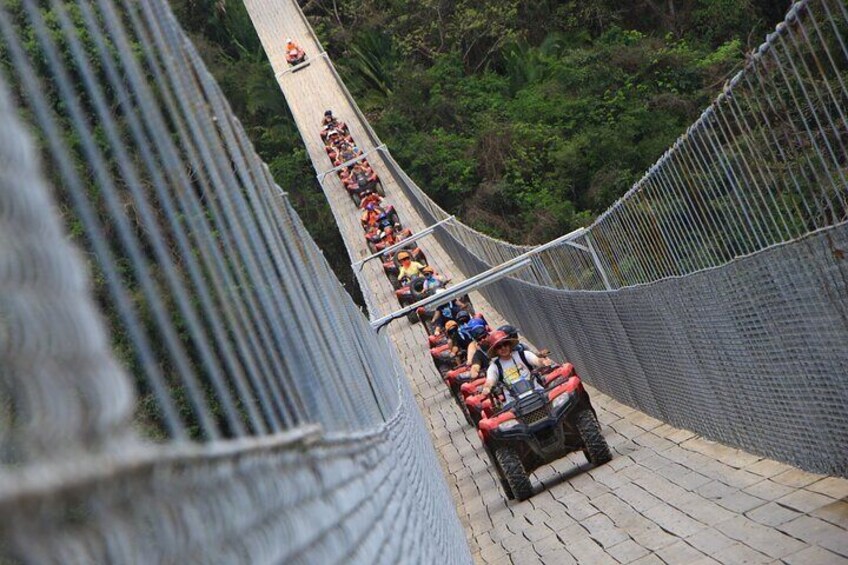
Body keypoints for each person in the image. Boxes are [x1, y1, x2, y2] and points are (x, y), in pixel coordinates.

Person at [481, 330, 550, 401]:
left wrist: (543, 361)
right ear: (495, 350)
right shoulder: (494, 366)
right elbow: (490, 380)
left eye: (505, 344)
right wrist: (487, 387)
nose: (503, 348)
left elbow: (536, 360)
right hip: (515, 403)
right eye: (499, 347)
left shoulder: (523, 354)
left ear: (509, 344)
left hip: (537, 393)